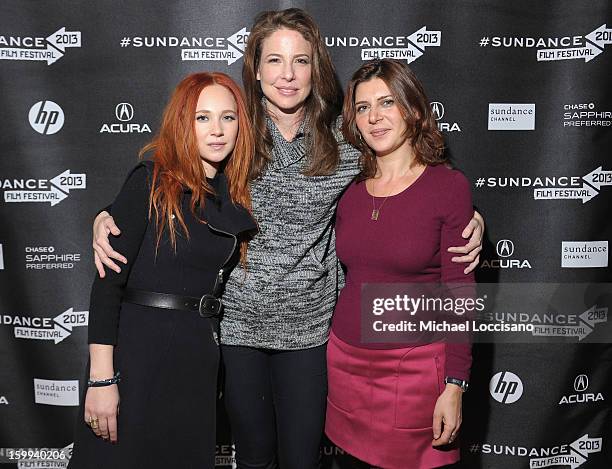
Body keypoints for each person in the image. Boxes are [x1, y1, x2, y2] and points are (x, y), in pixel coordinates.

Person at [91, 9, 484, 469]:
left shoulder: (346, 136)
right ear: (256, 71)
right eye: (274, 61)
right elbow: (177, 168)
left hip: (313, 333)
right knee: (254, 459)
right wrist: (105, 213)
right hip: (238, 329)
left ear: (316, 68)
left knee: (302, 460)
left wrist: (468, 215)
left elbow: (405, 171)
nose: (288, 74)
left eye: (300, 60)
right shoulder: (234, 132)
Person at [68, 72, 256, 469]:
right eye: (202, 118)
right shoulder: (150, 181)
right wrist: (102, 379)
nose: (217, 130)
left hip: (196, 360)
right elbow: (107, 286)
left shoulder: (231, 194)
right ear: (182, 123)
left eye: (228, 118)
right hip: (137, 356)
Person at [325, 59, 474, 469]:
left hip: (414, 372)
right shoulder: (348, 188)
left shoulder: (448, 186)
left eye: (387, 102)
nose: (374, 117)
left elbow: (460, 293)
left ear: (412, 109)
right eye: (362, 107)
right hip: (344, 363)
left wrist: (455, 384)